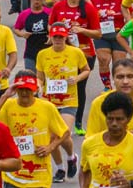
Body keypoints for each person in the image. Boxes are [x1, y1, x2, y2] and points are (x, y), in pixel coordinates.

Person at [0, 71, 69, 188]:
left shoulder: (47, 107)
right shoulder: (7, 105)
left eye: (28, 89)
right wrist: (5, 96)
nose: (24, 93)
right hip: (13, 176)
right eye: (21, 89)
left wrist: (50, 147)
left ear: (35, 89)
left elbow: (65, 132)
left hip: (39, 177)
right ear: (15, 89)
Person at [35, 22, 89, 181]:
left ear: (66, 37)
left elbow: (86, 70)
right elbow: (39, 76)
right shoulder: (42, 54)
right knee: (51, 137)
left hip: (69, 101)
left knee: (63, 133)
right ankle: (59, 169)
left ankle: (71, 157)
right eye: (55, 36)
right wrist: (39, 86)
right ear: (50, 37)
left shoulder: (76, 52)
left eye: (61, 37)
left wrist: (77, 78)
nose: (58, 39)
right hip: (49, 100)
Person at [48, 0, 101, 135]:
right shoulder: (58, 6)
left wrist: (82, 30)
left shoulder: (88, 7)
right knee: (61, 85)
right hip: (62, 53)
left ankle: (77, 122)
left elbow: (98, 33)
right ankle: (58, 119)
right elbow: (50, 26)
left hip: (84, 54)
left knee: (78, 87)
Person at [79, 91, 133, 187]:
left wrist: (131, 185)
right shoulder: (89, 144)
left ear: (128, 119)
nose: (114, 124)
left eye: (119, 119)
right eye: (110, 119)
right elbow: (84, 172)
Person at [90, 0, 127, 90]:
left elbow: (130, 19)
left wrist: (123, 31)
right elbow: (89, 18)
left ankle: (119, 85)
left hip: (118, 34)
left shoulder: (122, 0)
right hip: (102, 35)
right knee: (103, 59)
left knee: (119, 63)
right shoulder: (94, 1)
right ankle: (107, 85)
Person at [12, 0, 51, 71]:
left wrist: (51, 35)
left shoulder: (49, 12)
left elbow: (56, 26)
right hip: (30, 52)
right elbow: (16, 28)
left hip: (47, 51)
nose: (37, 0)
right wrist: (22, 34)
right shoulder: (24, 14)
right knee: (31, 78)